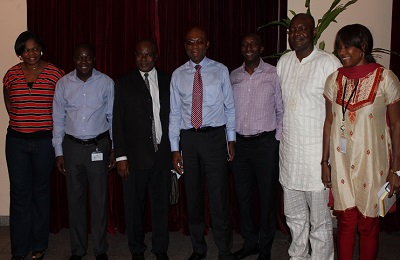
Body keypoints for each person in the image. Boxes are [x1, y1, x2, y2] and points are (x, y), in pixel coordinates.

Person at [321, 24, 400, 260]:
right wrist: (324, 162)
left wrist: (397, 169)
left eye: (347, 47)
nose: (341, 52)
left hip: (373, 162)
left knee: (368, 224)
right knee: (345, 221)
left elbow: (397, 126)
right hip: (341, 161)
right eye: (339, 48)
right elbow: (328, 122)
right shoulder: (333, 80)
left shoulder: (386, 78)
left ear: (363, 47)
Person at [276, 13, 341, 259]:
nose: (297, 34)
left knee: (321, 221)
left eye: (303, 29)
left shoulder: (328, 63)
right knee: (294, 217)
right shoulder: (284, 62)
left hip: (316, 158)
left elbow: (335, 115)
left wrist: (328, 161)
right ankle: (298, 256)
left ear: (313, 32)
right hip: (290, 156)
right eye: (292, 30)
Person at [169, 27, 237, 260]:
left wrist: (231, 139)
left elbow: (230, 107)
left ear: (207, 44)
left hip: (214, 139)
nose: (194, 46)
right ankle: (199, 249)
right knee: (194, 197)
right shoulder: (178, 75)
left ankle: (225, 250)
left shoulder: (220, 71)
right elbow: (175, 114)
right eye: (189, 42)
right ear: (185, 46)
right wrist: (175, 149)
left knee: (219, 198)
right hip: (189, 140)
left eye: (199, 42)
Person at [3, 31, 64, 260]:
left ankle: (39, 244)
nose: (31, 53)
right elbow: (8, 98)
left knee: (40, 192)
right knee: (19, 194)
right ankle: (19, 247)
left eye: (35, 48)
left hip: (44, 142)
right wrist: (19, 119)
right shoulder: (10, 74)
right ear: (20, 53)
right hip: (17, 142)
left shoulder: (56, 74)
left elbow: (61, 107)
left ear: (42, 49)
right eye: (26, 49)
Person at [52, 43, 115, 260]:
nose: (84, 61)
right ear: (73, 59)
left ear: (94, 59)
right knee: (75, 200)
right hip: (72, 148)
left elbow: (112, 118)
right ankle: (78, 250)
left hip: (98, 146)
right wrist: (58, 152)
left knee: (99, 200)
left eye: (88, 57)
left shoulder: (106, 82)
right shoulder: (63, 84)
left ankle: (100, 250)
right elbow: (58, 120)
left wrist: (114, 148)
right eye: (79, 57)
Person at [112, 39, 171, 260]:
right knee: (133, 208)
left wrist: (175, 151)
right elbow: (117, 122)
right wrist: (121, 156)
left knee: (160, 207)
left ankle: (160, 249)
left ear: (156, 56)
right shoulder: (124, 82)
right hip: (133, 158)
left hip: (162, 156)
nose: (144, 59)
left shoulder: (167, 80)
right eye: (139, 54)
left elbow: (173, 118)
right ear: (134, 56)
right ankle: (136, 249)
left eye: (148, 55)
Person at [230, 33, 283, 260]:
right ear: (241, 48)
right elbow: (228, 110)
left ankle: (265, 248)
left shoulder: (273, 74)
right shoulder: (233, 76)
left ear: (261, 48)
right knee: (243, 197)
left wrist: (276, 142)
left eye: (253, 44)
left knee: (267, 197)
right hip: (240, 146)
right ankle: (250, 242)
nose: (248, 47)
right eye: (244, 44)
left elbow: (282, 110)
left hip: (265, 144)